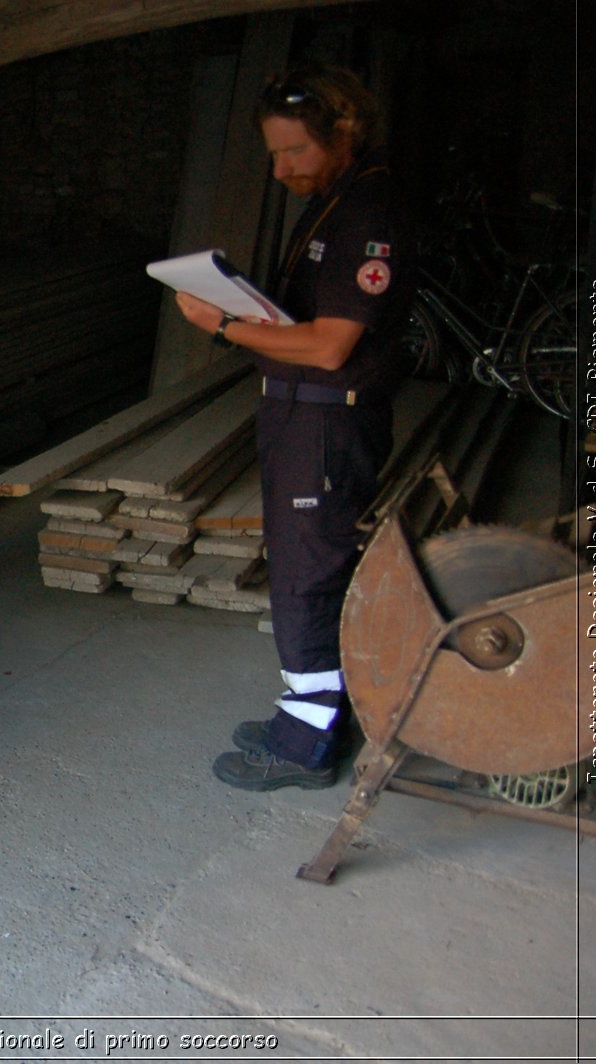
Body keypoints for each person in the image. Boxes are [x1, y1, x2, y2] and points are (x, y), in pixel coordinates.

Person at [174, 63, 409, 790]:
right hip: (302, 419)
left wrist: (225, 328)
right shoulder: (337, 199)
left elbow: (330, 344)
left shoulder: (368, 212)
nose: (279, 171)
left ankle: (307, 743)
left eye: (294, 152)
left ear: (342, 134)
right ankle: (316, 709)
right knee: (304, 565)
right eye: (272, 155)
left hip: (326, 426)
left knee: (309, 575)